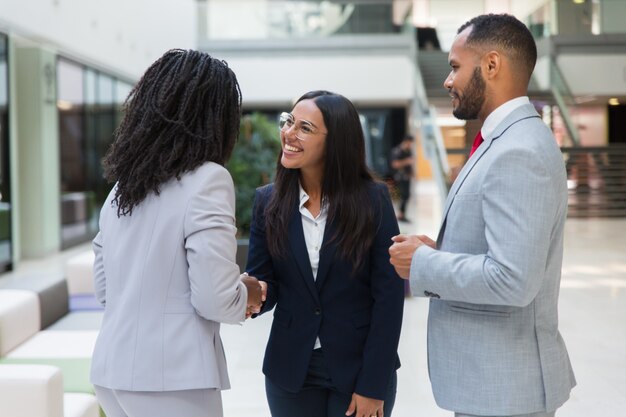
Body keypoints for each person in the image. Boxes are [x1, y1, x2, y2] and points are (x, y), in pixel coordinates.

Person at [389, 14, 575, 417]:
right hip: (497, 386)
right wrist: (442, 249)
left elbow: (512, 280)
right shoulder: (507, 140)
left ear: (492, 65)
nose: (447, 81)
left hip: (505, 390)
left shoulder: (518, 151)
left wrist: (423, 263)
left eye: (455, 66)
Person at [90, 49, 264, 417]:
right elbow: (214, 298)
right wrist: (247, 291)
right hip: (172, 377)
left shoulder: (122, 189)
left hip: (110, 372)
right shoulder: (208, 180)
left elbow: (105, 289)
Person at [246, 90, 404, 417]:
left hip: (360, 368)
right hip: (291, 372)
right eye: (288, 122)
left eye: (304, 128)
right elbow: (266, 282)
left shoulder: (373, 200)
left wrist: (373, 386)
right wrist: (254, 293)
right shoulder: (267, 202)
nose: (288, 133)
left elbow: (389, 297)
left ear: (336, 142)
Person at [390, 134, 414, 222]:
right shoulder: (397, 151)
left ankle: (402, 214)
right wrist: (407, 162)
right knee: (403, 196)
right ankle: (400, 215)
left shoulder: (408, 151)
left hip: (406, 177)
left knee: (406, 196)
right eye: (409, 143)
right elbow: (395, 164)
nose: (410, 145)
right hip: (400, 177)